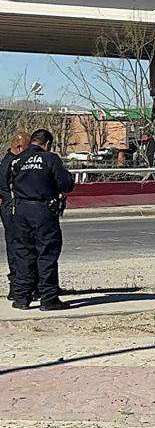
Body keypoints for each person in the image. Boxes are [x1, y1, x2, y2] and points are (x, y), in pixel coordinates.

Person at [1, 129, 74, 311]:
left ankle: (21, 297)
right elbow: (66, 184)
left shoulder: (16, 160)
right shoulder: (50, 158)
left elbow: (6, 185)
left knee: (23, 253)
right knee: (46, 253)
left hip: (20, 211)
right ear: (47, 143)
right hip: (42, 210)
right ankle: (48, 298)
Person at [0, 131, 30, 299]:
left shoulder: (9, 162)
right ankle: (16, 286)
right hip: (12, 210)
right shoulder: (11, 164)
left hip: (11, 208)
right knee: (17, 248)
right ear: (19, 147)